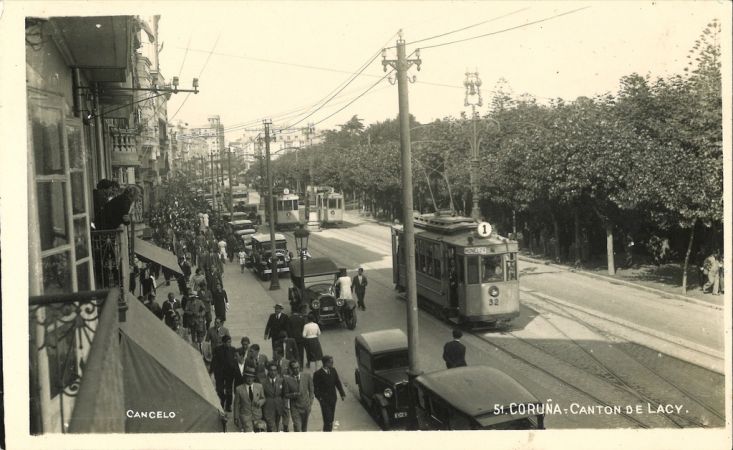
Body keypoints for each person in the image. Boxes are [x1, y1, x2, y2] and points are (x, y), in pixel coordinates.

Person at [313, 355, 346, 432]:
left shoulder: (333, 370)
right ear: (326, 363)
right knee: (327, 420)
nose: (332, 364)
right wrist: (320, 399)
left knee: (330, 419)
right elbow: (315, 389)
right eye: (331, 362)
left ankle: (328, 432)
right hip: (324, 401)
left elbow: (337, 382)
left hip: (333, 399)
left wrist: (342, 393)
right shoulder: (318, 374)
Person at [283, 360, 314, 432]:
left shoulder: (306, 376)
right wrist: (293, 395)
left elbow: (311, 390)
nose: (296, 369)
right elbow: (285, 394)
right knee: (298, 428)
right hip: (295, 408)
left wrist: (310, 402)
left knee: (304, 429)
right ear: (290, 369)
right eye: (294, 368)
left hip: (306, 406)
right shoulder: (287, 379)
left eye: (298, 367)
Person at [232, 367, 266, 432]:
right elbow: (236, 404)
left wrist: (260, 402)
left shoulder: (259, 386)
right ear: (245, 377)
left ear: (254, 378)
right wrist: (236, 417)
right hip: (245, 417)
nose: (249, 379)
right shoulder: (239, 389)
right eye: (248, 377)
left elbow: (263, 398)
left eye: (251, 377)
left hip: (257, 416)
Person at [210, 334, 237, 412]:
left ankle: (228, 405)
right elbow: (214, 361)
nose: (229, 344)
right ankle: (222, 401)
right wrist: (211, 371)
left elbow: (235, 362)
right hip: (220, 374)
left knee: (229, 391)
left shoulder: (233, 349)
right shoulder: (217, 349)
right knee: (220, 390)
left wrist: (235, 371)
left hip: (229, 374)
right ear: (224, 342)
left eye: (230, 342)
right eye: (228, 342)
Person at [262, 362, 288, 432]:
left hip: (278, 407)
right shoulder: (263, 382)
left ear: (277, 371)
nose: (273, 372)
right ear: (268, 371)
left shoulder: (281, 380)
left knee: (275, 426)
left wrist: (283, 405)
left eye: (275, 370)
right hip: (268, 408)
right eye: (271, 370)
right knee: (272, 428)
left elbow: (284, 394)